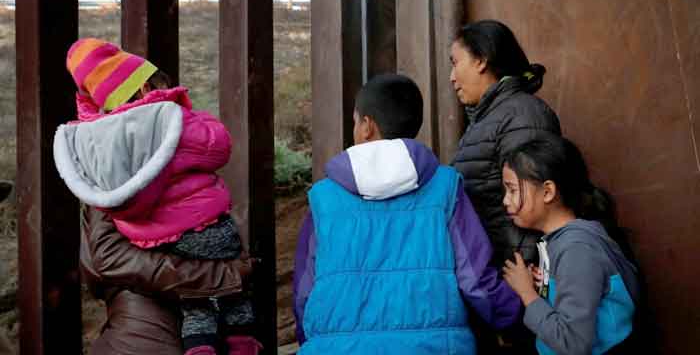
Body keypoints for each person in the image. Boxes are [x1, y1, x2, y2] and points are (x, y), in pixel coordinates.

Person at [54, 38, 260, 355]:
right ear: (145, 89)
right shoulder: (110, 167)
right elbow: (110, 259)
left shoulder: (126, 163)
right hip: (149, 339)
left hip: (150, 336)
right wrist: (222, 275)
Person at [293, 74, 521, 354]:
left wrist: (313, 341)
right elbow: (474, 278)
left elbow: (304, 291)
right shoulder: (445, 187)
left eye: (355, 121)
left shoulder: (324, 197)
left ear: (367, 126)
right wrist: (513, 316)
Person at [449, 20, 561, 353]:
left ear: (481, 60)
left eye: (455, 62)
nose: (452, 77)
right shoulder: (487, 119)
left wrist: (514, 302)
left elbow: (534, 209)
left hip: (515, 291)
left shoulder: (522, 115)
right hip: (496, 287)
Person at [501, 136, 640, 355]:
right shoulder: (559, 242)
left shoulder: (577, 249)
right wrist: (543, 288)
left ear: (547, 192)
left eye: (512, 190)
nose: (505, 200)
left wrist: (527, 294)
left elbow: (572, 344)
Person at [81, 205, 253, 355]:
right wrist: (223, 275)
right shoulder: (114, 184)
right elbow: (113, 258)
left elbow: (107, 263)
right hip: (148, 321)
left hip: (151, 326)